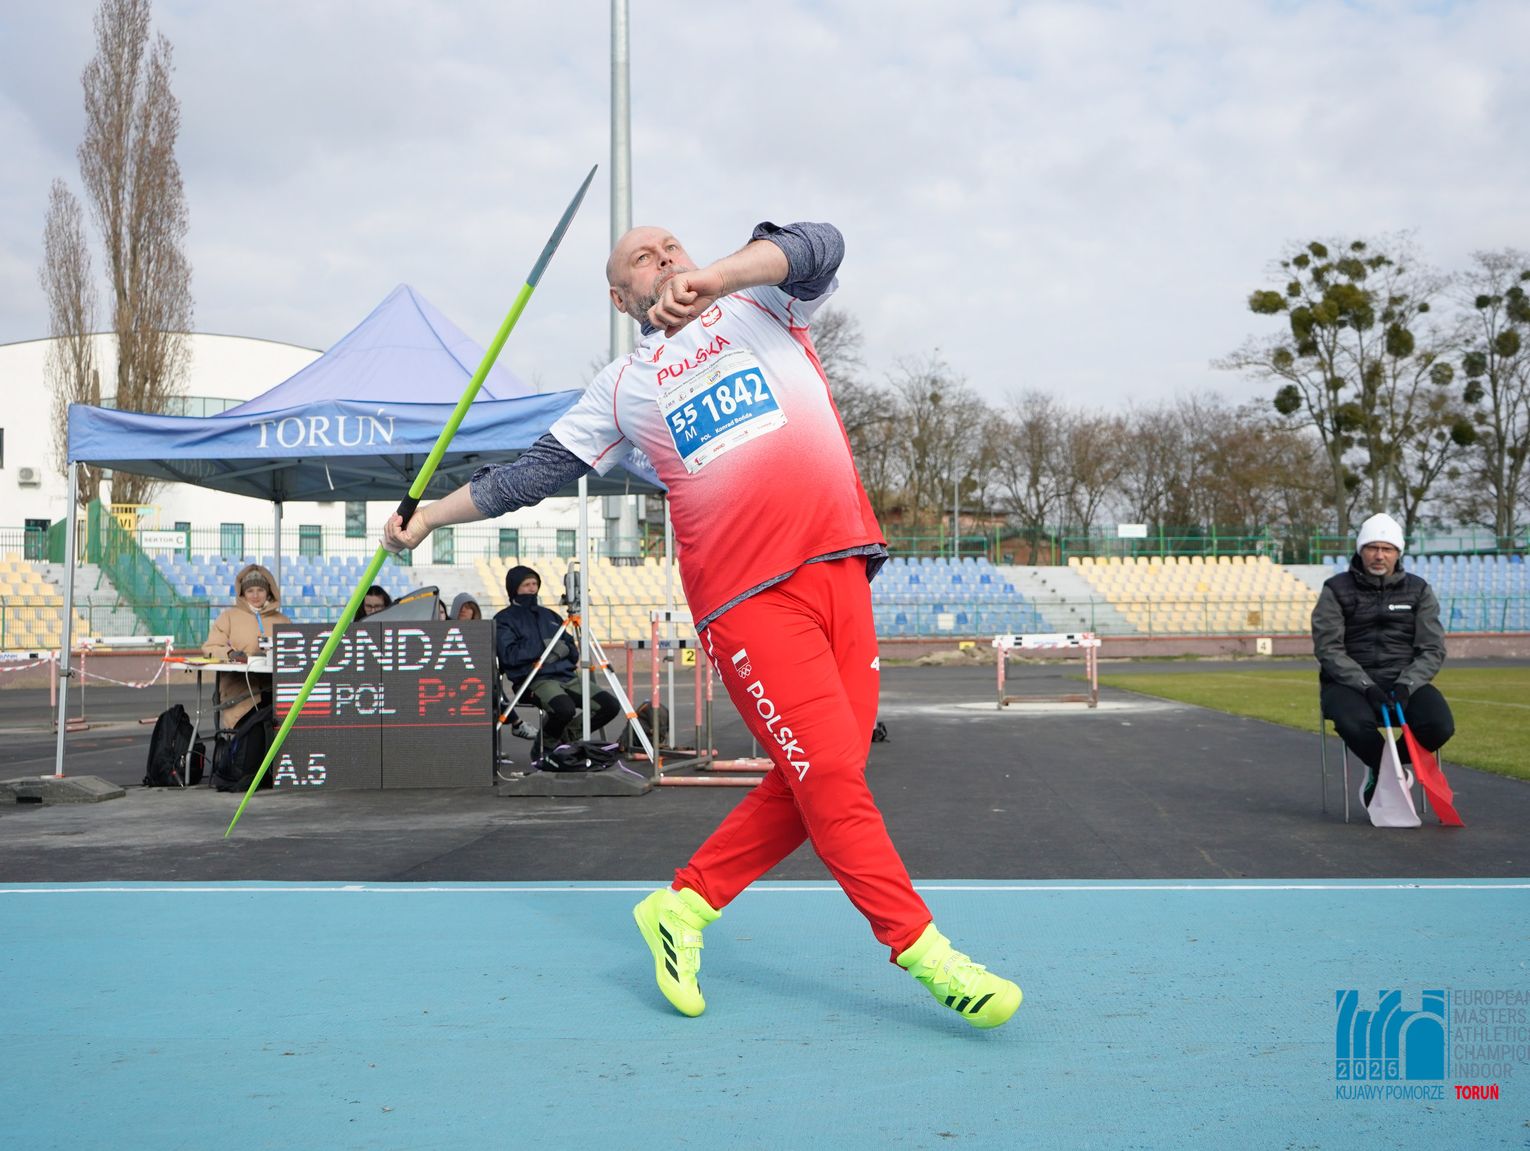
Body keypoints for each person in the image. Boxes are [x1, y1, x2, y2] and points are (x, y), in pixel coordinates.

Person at [384, 220, 1021, 1030]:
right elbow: (530, 474)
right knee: (828, 773)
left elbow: (820, 243)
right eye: (641, 260)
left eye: (671, 246)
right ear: (624, 299)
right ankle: (926, 954)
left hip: (841, 566)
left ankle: (682, 908)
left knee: (824, 775)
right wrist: (431, 517)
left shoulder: (763, 304)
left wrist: (721, 276)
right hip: (747, 597)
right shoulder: (624, 384)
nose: (665, 258)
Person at [1312, 512, 1455, 806]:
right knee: (1352, 723)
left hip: (1403, 680)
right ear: (1360, 550)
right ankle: (1386, 769)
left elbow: (1432, 648)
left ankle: (1384, 767)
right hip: (1348, 683)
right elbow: (1329, 648)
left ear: (1397, 553)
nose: (1379, 555)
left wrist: (1406, 685)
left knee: (1439, 725)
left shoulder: (1419, 590)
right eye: (1372, 548)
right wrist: (1366, 686)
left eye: (1387, 549)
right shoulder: (1336, 589)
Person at [493, 564, 620, 749]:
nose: (532, 588)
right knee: (564, 709)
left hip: (567, 676)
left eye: (534, 583)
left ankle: (565, 737)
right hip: (535, 679)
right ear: (514, 589)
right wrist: (545, 646)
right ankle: (545, 746)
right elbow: (509, 656)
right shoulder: (504, 619)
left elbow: (571, 649)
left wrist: (562, 651)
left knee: (609, 706)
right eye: (526, 584)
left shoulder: (550, 615)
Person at [203, 563, 291, 730]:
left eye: (260, 590)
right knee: (250, 736)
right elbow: (211, 646)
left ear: (268, 592)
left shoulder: (283, 620)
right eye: (250, 591)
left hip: (276, 689)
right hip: (240, 689)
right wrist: (230, 654)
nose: (255, 595)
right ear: (243, 593)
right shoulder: (228, 616)